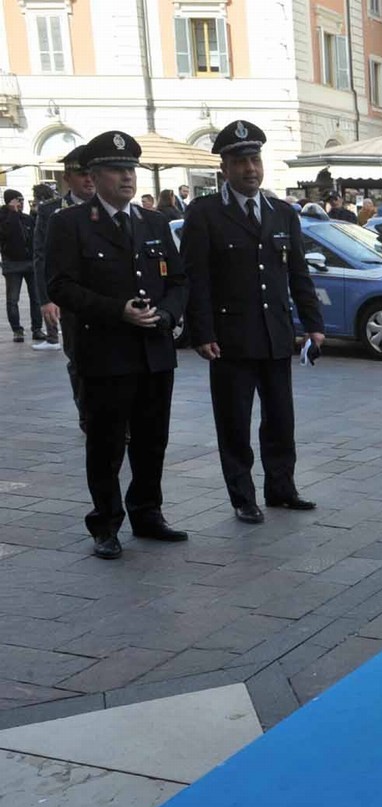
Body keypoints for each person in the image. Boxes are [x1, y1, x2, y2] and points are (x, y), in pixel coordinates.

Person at [46, 131, 188, 558]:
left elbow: (179, 281)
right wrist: (116, 310)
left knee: (152, 439)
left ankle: (148, 512)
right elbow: (60, 285)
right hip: (105, 352)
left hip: (154, 352)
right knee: (106, 444)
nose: (127, 178)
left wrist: (165, 315)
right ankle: (105, 523)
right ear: (93, 175)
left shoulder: (154, 222)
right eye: (116, 170)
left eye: (131, 170)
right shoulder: (69, 224)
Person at [180, 119, 325, 525]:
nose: (251, 169)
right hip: (229, 339)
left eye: (255, 159)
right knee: (235, 421)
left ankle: (281, 488)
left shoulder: (281, 213)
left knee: (280, 418)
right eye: (241, 161)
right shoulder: (205, 214)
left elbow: (298, 273)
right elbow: (197, 278)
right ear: (224, 168)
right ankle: (243, 496)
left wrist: (312, 323)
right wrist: (202, 331)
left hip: (275, 333)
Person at [34, 145, 94, 407]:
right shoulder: (52, 211)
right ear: (68, 178)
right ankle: (85, 412)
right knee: (79, 357)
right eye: (81, 173)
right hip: (71, 298)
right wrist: (47, 299)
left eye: (92, 172)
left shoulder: (110, 205)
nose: (88, 179)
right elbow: (40, 256)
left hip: (106, 294)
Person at [1, 189, 42, 345]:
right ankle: (17, 330)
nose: (21, 203)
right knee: (12, 300)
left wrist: (35, 214)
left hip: (30, 262)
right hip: (12, 264)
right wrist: (12, 213)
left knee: (36, 298)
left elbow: (36, 235)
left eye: (23, 200)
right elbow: (7, 233)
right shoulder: (3, 218)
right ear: (10, 202)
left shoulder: (27, 218)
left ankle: (37, 329)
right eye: (18, 200)